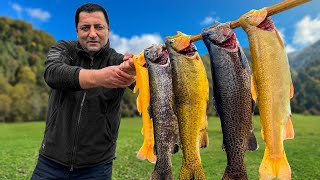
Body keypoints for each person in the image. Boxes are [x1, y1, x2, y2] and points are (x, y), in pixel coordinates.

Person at [31, 3, 136, 180]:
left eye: (99, 27)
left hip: (97, 167)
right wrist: (99, 77)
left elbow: (151, 84)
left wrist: (136, 71)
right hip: (50, 162)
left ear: (108, 30)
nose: (92, 34)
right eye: (85, 28)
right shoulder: (63, 48)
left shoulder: (118, 61)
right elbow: (53, 73)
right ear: (77, 31)